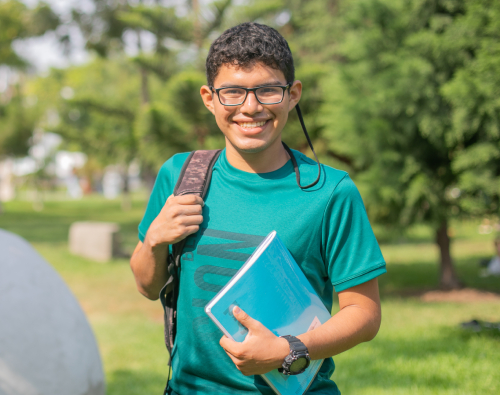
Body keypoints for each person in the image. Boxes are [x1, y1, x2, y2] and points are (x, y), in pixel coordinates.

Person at [130, 22, 387, 394]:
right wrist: (153, 241)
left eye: (267, 90)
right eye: (233, 92)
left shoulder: (331, 192)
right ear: (209, 98)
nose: (250, 108)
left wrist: (287, 350)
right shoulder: (181, 175)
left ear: (292, 94)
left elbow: (364, 314)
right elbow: (146, 286)